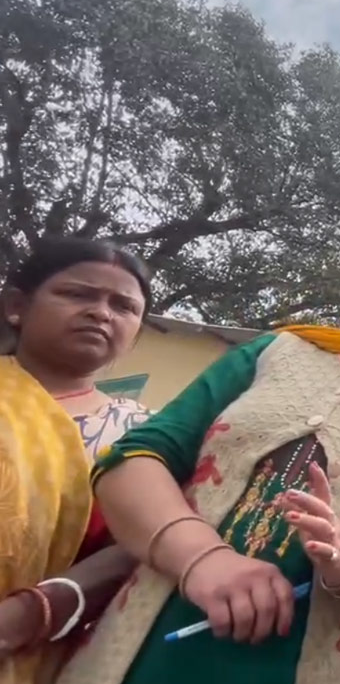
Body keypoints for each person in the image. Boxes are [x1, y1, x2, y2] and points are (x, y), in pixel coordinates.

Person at [54, 233, 340, 684]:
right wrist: (202, 559)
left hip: (332, 657)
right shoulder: (276, 352)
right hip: (163, 621)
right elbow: (134, 458)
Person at [0, 237, 153, 683]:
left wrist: (26, 615)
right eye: (77, 294)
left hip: (32, 647)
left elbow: (137, 545)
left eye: (124, 306)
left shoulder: (144, 434)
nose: (101, 313)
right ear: (16, 306)